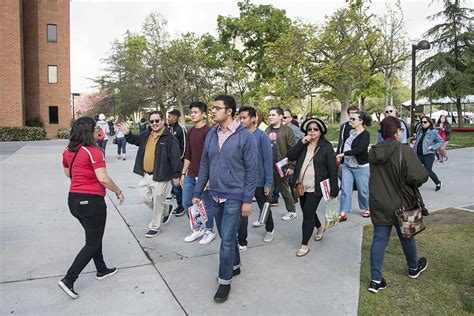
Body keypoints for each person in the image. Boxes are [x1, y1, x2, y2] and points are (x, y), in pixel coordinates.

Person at [192, 95, 257, 303]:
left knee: (227, 240)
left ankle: (224, 281)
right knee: (225, 237)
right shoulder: (211, 134)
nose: (212, 111)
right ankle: (235, 265)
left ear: (229, 111)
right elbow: (204, 165)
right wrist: (197, 192)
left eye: (216, 108)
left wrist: (247, 199)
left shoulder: (244, 136)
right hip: (214, 196)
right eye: (212, 108)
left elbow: (252, 170)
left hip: (235, 197)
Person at [58, 117, 124, 299]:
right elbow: (103, 178)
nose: (98, 131)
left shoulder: (67, 150)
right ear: (89, 130)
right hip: (92, 202)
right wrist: (117, 190)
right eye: (96, 128)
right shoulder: (94, 151)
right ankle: (69, 279)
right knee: (93, 242)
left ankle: (101, 269)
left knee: (93, 237)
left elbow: (68, 174)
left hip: (74, 200)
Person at [367, 116, 429, 294]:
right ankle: (413, 267)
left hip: (379, 203)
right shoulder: (404, 150)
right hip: (402, 203)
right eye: (401, 130)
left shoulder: (373, 151)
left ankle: (375, 280)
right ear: (397, 132)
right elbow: (419, 176)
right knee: (407, 236)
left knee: (379, 239)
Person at [117, 111, 181, 237]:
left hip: (161, 175)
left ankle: (155, 227)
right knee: (144, 197)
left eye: (157, 121)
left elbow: (175, 158)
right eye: (152, 121)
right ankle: (166, 209)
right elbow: (135, 140)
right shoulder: (147, 134)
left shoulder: (170, 139)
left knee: (157, 200)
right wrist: (127, 133)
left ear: (162, 121)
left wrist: (176, 175)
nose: (155, 123)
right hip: (146, 174)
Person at [287, 117, 339, 257]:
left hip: (317, 187)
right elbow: (290, 156)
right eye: (309, 129)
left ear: (321, 131)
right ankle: (320, 227)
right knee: (306, 211)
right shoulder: (303, 144)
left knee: (308, 215)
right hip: (301, 185)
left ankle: (304, 245)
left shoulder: (326, 147)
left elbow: (332, 169)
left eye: (315, 129)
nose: (312, 132)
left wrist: (334, 188)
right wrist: (301, 143)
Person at [237, 106, 274, 249]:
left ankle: (269, 229)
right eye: (239, 118)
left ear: (253, 119)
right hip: (243, 181)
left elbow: (267, 160)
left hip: (259, 180)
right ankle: (242, 241)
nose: (241, 120)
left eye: (244, 117)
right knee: (243, 211)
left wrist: (268, 183)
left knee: (263, 207)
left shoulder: (262, 136)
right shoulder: (239, 135)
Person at [180, 101, 214, 245]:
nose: (192, 115)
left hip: (204, 176)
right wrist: (183, 173)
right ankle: (198, 228)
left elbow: (213, 156)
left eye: (196, 112)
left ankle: (209, 230)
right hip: (191, 174)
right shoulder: (191, 132)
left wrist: (209, 177)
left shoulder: (209, 132)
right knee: (187, 202)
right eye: (191, 112)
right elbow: (188, 154)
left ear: (203, 114)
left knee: (206, 204)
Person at [336, 111, 372, 220]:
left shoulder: (365, 134)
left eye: (353, 119)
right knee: (345, 189)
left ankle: (367, 208)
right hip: (347, 166)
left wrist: (343, 154)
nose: (350, 121)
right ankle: (343, 212)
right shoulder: (351, 132)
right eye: (350, 119)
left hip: (361, 167)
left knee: (363, 190)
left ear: (361, 121)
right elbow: (344, 145)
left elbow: (359, 149)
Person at [266, 107, 297, 220]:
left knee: (285, 190)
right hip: (268, 167)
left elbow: (293, 149)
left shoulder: (287, 130)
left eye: (273, 115)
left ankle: (292, 211)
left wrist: (291, 166)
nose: (270, 117)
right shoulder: (267, 131)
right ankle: (264, 216)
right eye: (269, 115)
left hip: (282, 166)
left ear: (280, 116)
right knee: (266, 192)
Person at [414, 115, 444, 191]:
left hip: (428, 154)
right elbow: (418, 141)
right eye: (421, 122)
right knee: (414, 169)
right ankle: (414, 185)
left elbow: (441, 141)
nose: (423, 123)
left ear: (429, 123)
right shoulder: (420, 131)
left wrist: (432, 147)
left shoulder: (433, 132)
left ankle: (438, 183)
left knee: (428, 171)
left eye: (425, 122)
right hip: (419, 154)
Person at [168, 109, 186, 216]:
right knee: (174, 185)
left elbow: (184, 146)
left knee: (177, 185)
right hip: (170, 162)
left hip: (178, 163)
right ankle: (179, 203)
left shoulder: (180, 129)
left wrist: (179, 160)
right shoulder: (169, 128)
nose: (168, 118)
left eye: (169, 116)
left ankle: (182, 206)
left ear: (175, 117)